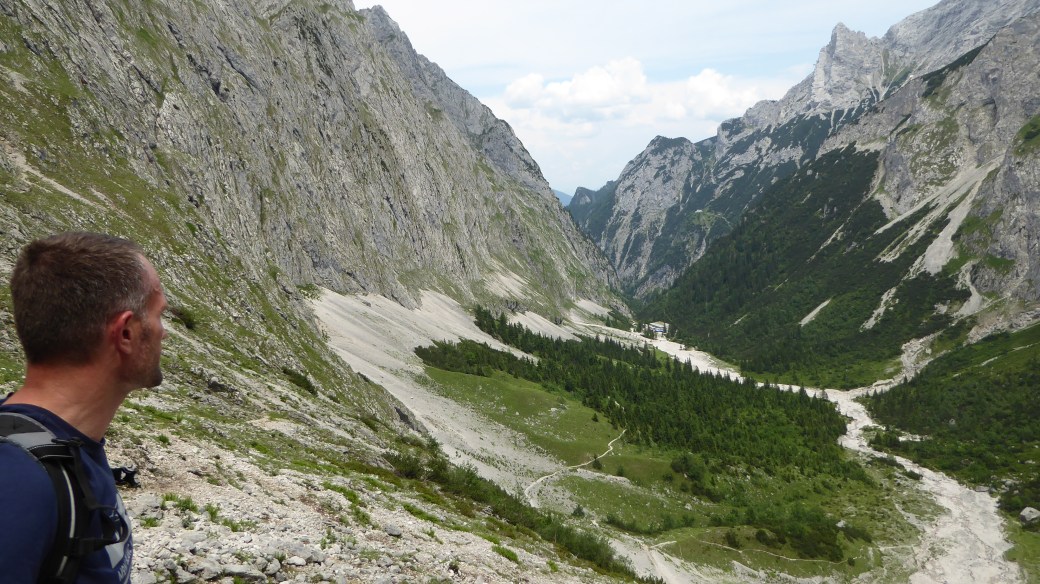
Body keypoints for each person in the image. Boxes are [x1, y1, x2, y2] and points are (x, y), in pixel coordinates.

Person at [0, 232, 168, 583]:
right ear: (126, 333)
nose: (164, 332)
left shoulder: (69, 445)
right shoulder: (17, 485)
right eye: (158, 315)